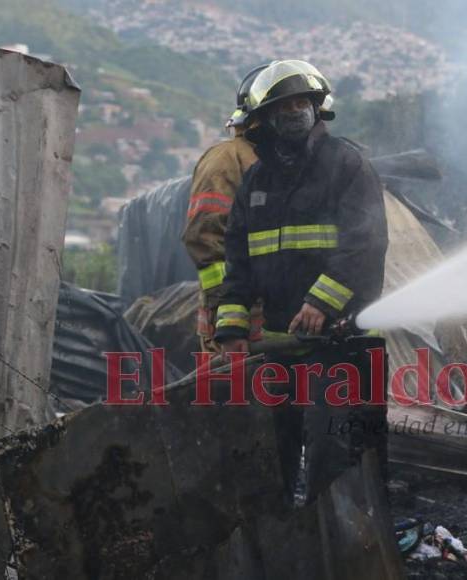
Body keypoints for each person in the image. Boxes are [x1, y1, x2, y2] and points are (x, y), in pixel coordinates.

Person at [214, 60, 389, 502]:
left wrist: (322, 303)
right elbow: (236, 262)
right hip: (279, 349)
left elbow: (363, 245)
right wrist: (231, 330)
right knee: (271, 461)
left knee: (338, 464)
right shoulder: (256, 182)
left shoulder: (346, 165)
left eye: (302, 102)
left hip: (342, 345)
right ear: (262, 121)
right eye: (283, 105)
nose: (295, 111)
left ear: (317, 108)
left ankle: (345, 556)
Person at [182, 64, 268, 352]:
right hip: (237, 330)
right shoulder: (226, 160)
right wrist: (229, 317)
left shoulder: (282, 162)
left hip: (277, 329)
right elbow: (205, 240)